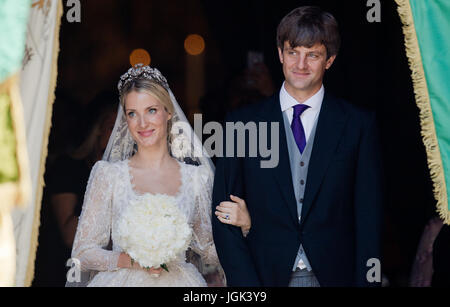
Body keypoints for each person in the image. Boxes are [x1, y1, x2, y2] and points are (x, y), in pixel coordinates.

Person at [212, 6, 383, 287]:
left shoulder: (358, 125)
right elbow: (223, 215)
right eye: (293, 52)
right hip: (262, 278)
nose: (300, 64)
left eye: (312, 54)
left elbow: (369, 220)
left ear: (329, 60)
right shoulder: (240, 123)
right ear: (280, 53)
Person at [70, 65, 249, 287]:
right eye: (132, 114)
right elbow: (83, 252)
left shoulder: (197, 178)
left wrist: (243, 228)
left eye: (151, 110)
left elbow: (210, 251)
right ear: (125, 119)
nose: (142, 123)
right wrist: (132, 261)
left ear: (168, 111)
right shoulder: (107, 175)